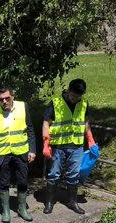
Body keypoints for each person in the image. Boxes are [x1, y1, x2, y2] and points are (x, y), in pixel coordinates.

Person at [42, 79, 96, 215]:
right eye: (73, 96)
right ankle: (49, 202)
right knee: (54, 173)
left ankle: (72, 202)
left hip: (76, 145)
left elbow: (85, 123)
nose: (75, 99)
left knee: (74, 175)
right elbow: (46, 124)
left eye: (79, 96)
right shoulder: (55, 103)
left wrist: (90, 139)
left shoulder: (83, 103)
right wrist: (46, 144)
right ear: (68, 91)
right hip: (58, 145)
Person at [0, 86, 36, 223]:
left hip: (21, 151)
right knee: (3, 182)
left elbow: (30, 129)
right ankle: (6, 211)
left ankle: (22, 209)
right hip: (2, 153)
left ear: (13, 96)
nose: (4, 101)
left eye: (7, 98)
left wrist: (32, 150)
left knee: (23, 181)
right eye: (1, 99)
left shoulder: (23, 106)